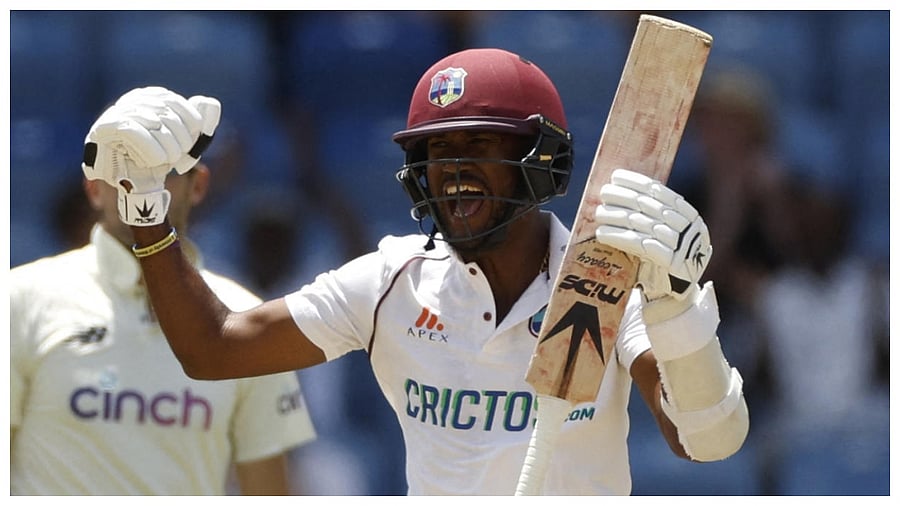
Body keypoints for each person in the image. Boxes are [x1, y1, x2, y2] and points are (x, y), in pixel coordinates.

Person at [78, 49, 749, 495]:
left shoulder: (608, 282)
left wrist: (676, 308)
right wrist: (147, 215)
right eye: (436, 150)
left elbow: (707, 440)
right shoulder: (390, 282)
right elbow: (213, 348)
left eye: (478, 143)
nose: (452, 169)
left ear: (542, 161)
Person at [10, 142, 318, 494]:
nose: (142, 189)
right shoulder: (19, 297)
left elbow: (268, 492)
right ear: (93, 187)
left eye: (163, 171)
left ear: (197, 185)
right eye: (123, 172)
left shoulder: (246, 314)